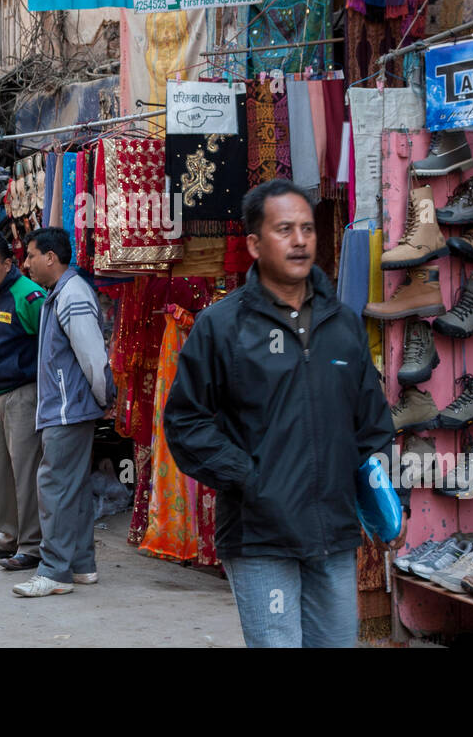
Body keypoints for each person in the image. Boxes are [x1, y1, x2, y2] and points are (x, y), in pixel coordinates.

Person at [162, 179, 404, 648]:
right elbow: (185, 421)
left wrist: (391, 504)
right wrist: (251, 478)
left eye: (308, 229)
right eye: (285, 229)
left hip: (333, 531)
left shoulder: (342, 325)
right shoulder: (222, 326)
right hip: (260, 535)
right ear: (254, 244)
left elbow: (372, 424)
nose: (300, 241)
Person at [12, 227, 113, 598]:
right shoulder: (63, 293)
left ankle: (54, 570)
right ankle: (82, 565)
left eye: (31, 255)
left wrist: (104, 398)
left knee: (54, 488)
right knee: (72, 487)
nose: (26, 264)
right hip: (67, 408)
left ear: (51, 257)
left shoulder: (71, 294)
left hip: (68, 410)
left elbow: (92, 355)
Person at [0, 234, 46, 572]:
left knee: (26, 472)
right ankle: (8, 537)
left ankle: (31, 546)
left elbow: (50, 346)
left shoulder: (29, 296)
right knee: (2, 470)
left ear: (7, 263)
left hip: (24, 394)